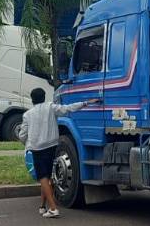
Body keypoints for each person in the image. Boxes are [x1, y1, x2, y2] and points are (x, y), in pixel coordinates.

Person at [17, 88, 97, 218]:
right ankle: (43, 206)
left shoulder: (27, 115)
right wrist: (86, 103)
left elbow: (22, 135)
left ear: (32, 99)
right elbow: (68, 108)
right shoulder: (51, 107)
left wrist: (25, 142)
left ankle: (53, 208)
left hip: (37, 148)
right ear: (44, 97)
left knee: (42, 177)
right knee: (48, 176)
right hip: (52, 145)